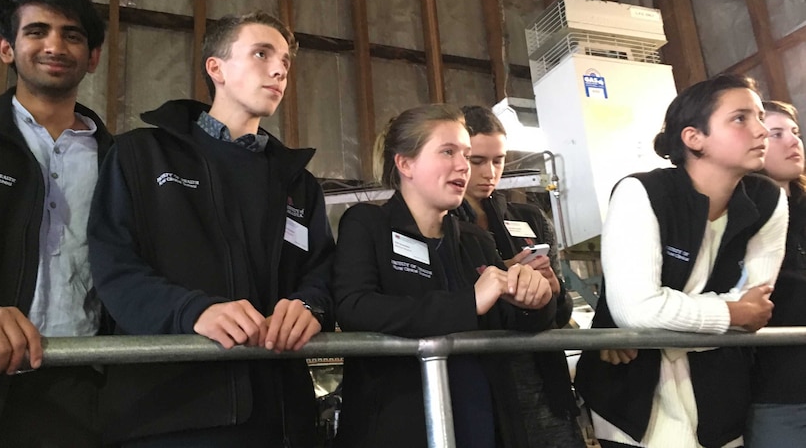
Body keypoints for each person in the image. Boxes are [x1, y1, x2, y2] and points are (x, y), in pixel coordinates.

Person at [88, 11, 335, 447]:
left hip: (281, 417)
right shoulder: (142, 155)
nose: (278, 69)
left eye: (284, 62)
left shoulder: (297, 181)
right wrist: (191, 311)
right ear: (215, 68)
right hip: (168, 415)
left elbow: (322, 271)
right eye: (261, 54)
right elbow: (114, 265)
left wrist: (309, 305)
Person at [574, 73, 788, 448]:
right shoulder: (642, 192)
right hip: (631, 395)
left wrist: (654, 323)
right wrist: (728, 315)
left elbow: (756, 308)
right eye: (740, 118)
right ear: (694, 138)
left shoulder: (767, 200)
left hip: (718, 396)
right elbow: (637, 311)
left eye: (758, 116)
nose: (761, 131)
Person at [0, 0, 111, 447]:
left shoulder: (124, 161)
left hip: (81, 394)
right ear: (5, 48)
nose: (54, 44)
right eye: (36, 31)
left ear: (93, 57)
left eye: (72, 34)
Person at [332, 104, 557, 448]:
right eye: (448, 152)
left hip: (481, 423)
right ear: (405, 163)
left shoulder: (475, 240)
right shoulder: (367, 224)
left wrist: (535, 301)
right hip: (400, 422)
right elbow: (355, 307)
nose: (463, 166)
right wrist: (469, 301)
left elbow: (512, 320)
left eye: (466, 154)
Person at [453, 104, 584, 448]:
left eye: (498, 160)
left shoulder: (530, 217)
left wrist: (553, 291)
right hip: (484, 387)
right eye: (477, 160)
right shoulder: (441, 223)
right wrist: (499, 277)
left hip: (545, 383)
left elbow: (562, 313)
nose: (489, 172)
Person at [746, 100, 806, 447]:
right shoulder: (740, 217)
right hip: (778, 395)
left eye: (795, 133)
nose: (793, 141)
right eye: (776, 133)